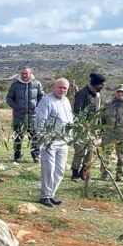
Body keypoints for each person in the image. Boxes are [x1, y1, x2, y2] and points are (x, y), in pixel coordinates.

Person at [35, 78, 74, 207]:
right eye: (60, 87)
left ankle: (51, 194)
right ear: (54, 87)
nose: (62, 90)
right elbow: (40, 121)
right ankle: (45, 196)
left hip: (63, 140)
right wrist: (43, 139)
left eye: (65, 88)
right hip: (50, 140)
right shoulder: (46, 101)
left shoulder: (66, 101)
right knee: (48, 168)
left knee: (60, 169)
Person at [70, 72, 106, 180]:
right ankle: (75, 172)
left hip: (93, 129)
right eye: (101, 85)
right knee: (80, 151)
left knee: (91, 150)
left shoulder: (98, 95)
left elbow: (98, 111)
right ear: (96, 84)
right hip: (82, 128)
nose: (102, 87)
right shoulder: (82, 94)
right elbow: (77, 112)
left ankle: (84, 171)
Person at [6, 67, 44, 162]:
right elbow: (9, 98)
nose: (24, 75)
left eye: (26, 73)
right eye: (22, 73)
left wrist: (38, 107)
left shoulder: (37, 84)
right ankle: (17, 155)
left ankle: (36, 156)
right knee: (18, 137)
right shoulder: (15, 85)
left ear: (30, 73)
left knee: (34, 136)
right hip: (19, 115)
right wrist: (16, 106)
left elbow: (42, 97)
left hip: (32, 116)